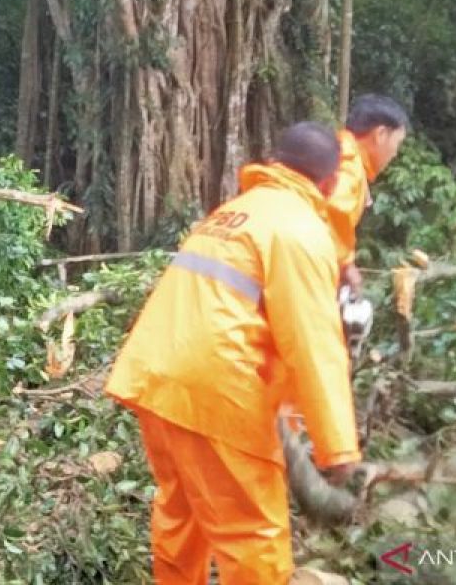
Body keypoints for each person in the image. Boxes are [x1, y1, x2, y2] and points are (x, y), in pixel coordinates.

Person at [105, 122, 361, 585]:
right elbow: (313, 341)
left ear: (275, 161)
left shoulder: (233, 213)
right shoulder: (301, 229)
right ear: (327, 184)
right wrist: (337, 445)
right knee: (253, 536)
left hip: (159, 379)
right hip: (218, 391)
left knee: (181, 520)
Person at [328, 94, 409, 295]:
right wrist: (346, 262)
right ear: (381, 134)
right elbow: (330, 213)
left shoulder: (337, 150)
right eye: (397, 143)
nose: (395, 153)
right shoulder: (349, 165)